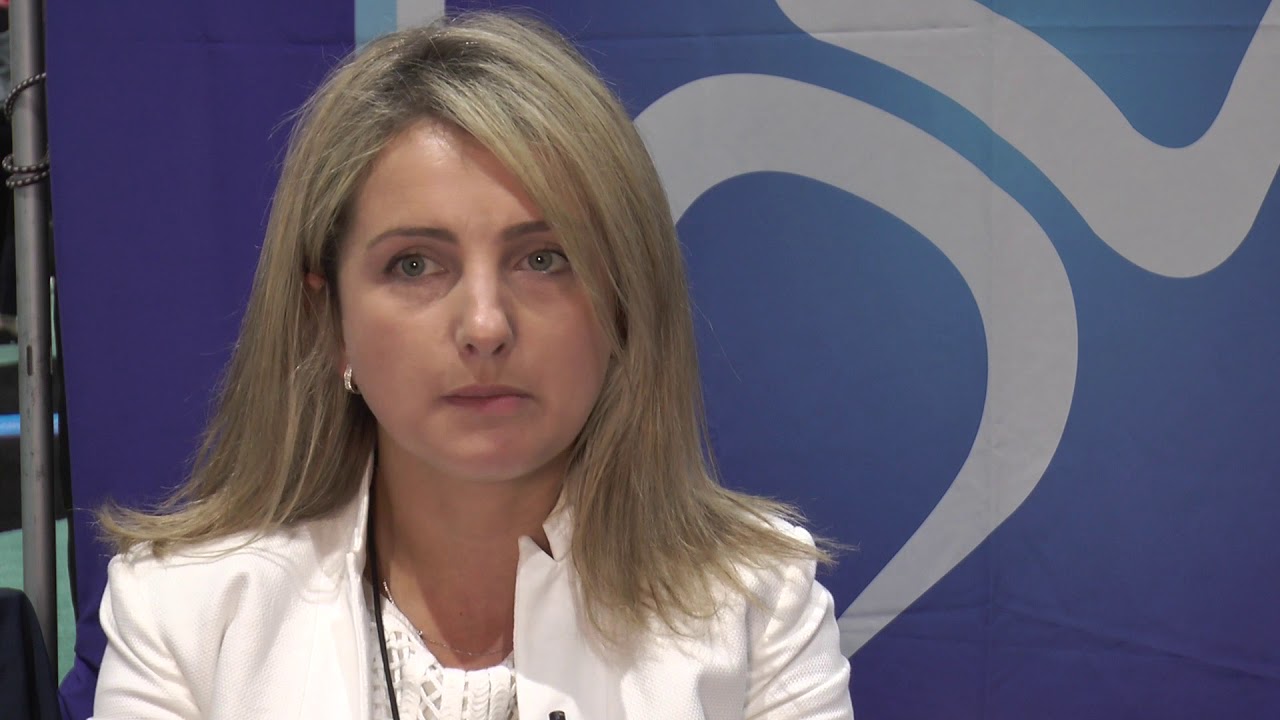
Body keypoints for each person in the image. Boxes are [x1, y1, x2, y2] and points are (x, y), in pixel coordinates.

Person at [90, 11, 855, 720]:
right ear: (330, 323)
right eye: (415, 264)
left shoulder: (758, 605)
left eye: (544, 259)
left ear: (624, 305)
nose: (485, 326)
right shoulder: (186, 616)